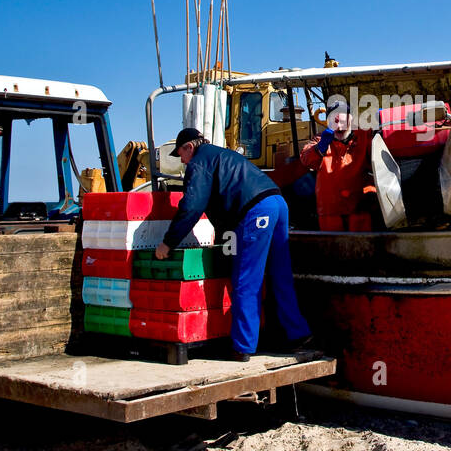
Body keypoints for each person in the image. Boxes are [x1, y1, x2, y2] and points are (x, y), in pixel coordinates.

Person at [154, 127, 314, 361]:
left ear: (189, 147)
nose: (183, 162)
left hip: (256, 211)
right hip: (278, 203)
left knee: (246, 280)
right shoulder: (223, 155)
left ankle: (243, 347)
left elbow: (192, 206)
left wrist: (168, 243)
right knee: (280, 275)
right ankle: (298, 335)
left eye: (182, 155)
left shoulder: (200, 162)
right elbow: (225, 208)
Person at [300, 96, 376, 231]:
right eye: (334, 121)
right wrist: (320, 148)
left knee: (361, 247)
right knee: (332, 248)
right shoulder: (321, 140)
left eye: (343, 121)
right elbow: (306, 159)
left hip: (359, 209)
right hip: (330, 212)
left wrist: (381, 126)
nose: (339, 126)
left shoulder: (365, 136)